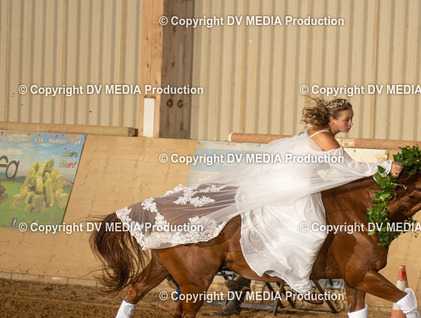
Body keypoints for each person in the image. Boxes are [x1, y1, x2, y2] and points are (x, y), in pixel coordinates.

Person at [115, 97, 402, 304]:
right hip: (293, 185)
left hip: (285, 180)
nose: (350, 123)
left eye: (351, 119)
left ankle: (288, 271)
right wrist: (385, 167)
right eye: (346, 119)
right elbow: (348, 166)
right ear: (331, 120)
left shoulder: (315, 132)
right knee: (314, 231)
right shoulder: (326, 137)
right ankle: (299, 282)